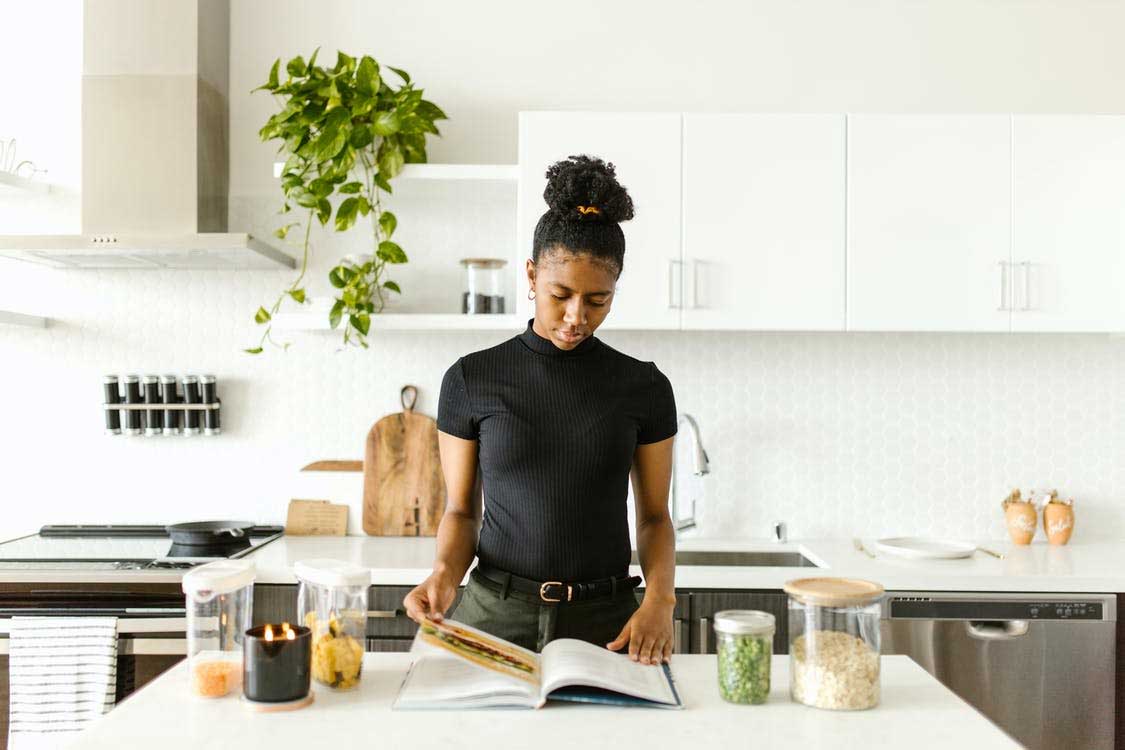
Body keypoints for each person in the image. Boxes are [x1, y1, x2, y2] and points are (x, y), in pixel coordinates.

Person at [403, 155, 678, 665]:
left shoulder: (644, 386)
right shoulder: (471, 379)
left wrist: (660, 598)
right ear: (531, 276)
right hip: (494, 616)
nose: (576, 317)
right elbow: (462, 511)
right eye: (561, 295)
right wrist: (443, 575)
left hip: (611, 622)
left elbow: (656, 517)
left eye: (597, 300)